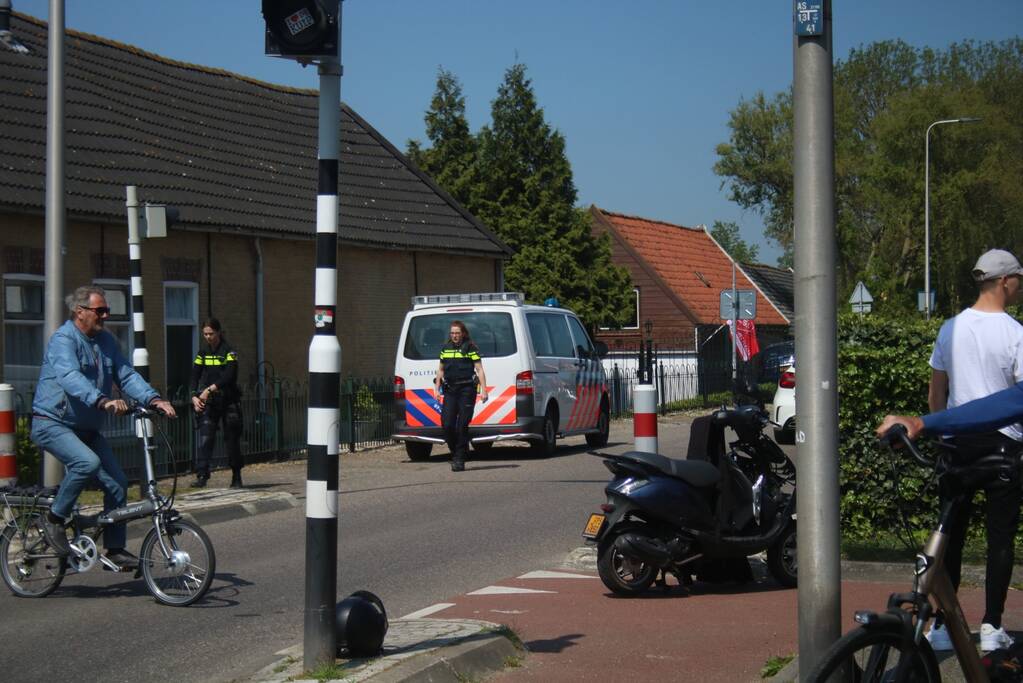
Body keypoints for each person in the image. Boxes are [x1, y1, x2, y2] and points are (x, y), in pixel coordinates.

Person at [916, 249, 1023, 652]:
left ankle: (944, 625)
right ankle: (992, 627)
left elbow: (936, 390)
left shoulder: (950, 328)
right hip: (1004, 445)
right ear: (1004, 281)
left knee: (950, 537)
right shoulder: (1015, 334)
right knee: (999, 540)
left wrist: (941, 430)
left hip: (958, 445)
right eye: (1018, 280)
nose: (1019, 287)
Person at [31, 286, 176, 569]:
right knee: (86, 462)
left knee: (117, 482)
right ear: (80, 311)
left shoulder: (107, 341)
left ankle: (115, 548)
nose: (105, 316)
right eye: (100, 311)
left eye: (106, 310)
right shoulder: (63, 340)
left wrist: (154, 399)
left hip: (86, 428)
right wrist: (102, 400)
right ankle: (54, 520)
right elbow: (70, 376)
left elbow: (126, 374)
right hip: (53, 422)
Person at [189, 318, 244, 488]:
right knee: (205, 437)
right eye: (205, 334)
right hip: (210, 402)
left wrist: (209, 389)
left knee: (231, 439)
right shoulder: (203, 353)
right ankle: (202, 475)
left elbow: (229, 376)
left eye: (211, 334)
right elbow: (194, 374)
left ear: (219, 332)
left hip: (228, 401)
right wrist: (194, 395)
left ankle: (236, 475)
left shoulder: (229, 351)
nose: (208, 337)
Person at [434, 320, 488, 472]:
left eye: (457, 333)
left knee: (462, 425)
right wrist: (436, 389)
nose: (455, 336)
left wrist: (484, 390)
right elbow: (440, 370)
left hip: (466, 390)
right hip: (450, 390)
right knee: (447, 424)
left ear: (462, 333)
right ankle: (458, 450)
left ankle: (459, 459)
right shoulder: (445, 348)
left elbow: (479, 369)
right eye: (452, 333)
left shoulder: (470, 347)